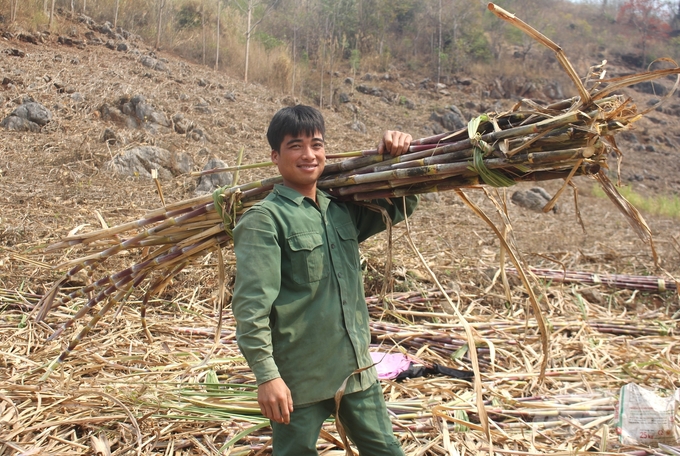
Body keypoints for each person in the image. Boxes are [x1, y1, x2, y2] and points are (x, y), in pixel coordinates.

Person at [231, 105, 418, 455]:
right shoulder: (265, 220)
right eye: (295, 146)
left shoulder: (340, 211)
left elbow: (399, 206)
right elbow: (250, 309)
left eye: (316, 145)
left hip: (357, 371)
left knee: (387, 450)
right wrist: (267, 376)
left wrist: (396, 157)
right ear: (275, 156)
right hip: (299, 381)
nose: (308, 155)